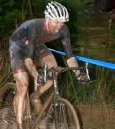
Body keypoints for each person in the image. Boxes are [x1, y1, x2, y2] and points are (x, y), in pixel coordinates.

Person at [9, 1, 89, 129]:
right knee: (23, 85)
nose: (59, 26)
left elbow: (69, 56)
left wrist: (78, 73)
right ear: (47, 18)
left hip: (36, 45)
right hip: (18, 46)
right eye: (56, 22)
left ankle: (35, 96)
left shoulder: (63, 29)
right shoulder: (35, 27)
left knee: (54, 70)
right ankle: (19, 125)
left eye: (62, 22)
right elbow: (29, 60)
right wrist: (36, 75)